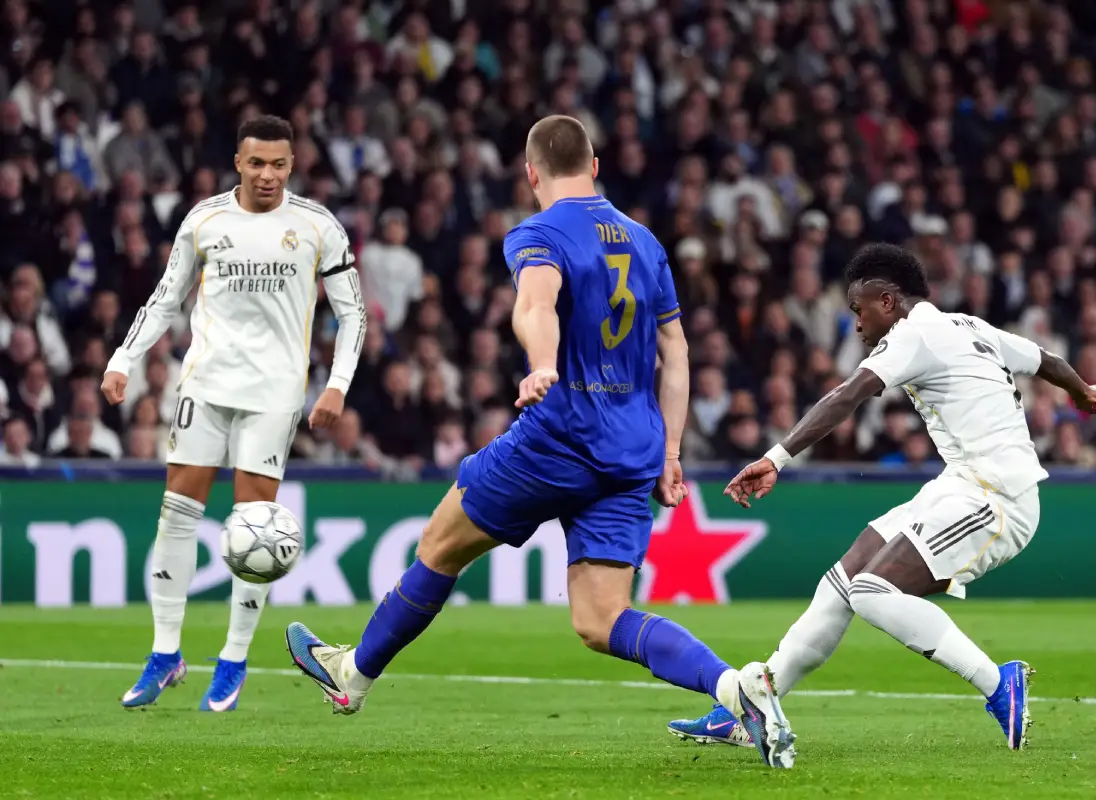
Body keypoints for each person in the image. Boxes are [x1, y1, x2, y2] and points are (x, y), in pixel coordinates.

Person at [285, 115, 797, 770]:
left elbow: (537, 303)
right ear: (596, 163)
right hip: (634, 448)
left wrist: (543, 362)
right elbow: (676, 349)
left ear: (531, 173)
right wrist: (671, 452)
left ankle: (352, 676)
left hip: (562, 433)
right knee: (601, 620)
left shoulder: (539, 232)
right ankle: (738, 687)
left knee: (440, 545)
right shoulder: (646, 243)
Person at [667, 243, 1096, 752]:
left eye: (857, 309)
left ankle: (999, 684)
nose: (856, 323)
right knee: (843, 581)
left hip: (998, 498)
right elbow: (1047, 360)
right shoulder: (968, 326)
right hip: (963, 486)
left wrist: (775, 457)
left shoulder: (913, 335)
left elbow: (846, 396)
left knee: (871, 591)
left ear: (887, 301)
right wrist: (1083, 390)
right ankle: (752, 706)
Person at [103, 115, 366, 712]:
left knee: (256, 530)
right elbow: (164, 299)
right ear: (238, 162)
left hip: (274, 393)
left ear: (292, 165)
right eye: (256, 163)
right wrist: (123, 359)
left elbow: (354, 314)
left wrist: (338, 385)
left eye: (278, 164)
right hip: (206, 383)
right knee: (176, 515)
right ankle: (166, 655)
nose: (267, 175)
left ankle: (234, 658)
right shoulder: (205, 220)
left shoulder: (317, 226)